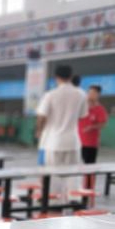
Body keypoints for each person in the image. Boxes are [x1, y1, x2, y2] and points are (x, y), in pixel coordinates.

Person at [35, 65, 88, 201]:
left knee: (53, 176)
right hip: (73, 141)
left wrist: (39, 130)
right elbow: (82, 116)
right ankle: (73, 202)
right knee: (73, 176)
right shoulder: (81, 94)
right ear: (70, 76)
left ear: (56, 77)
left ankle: (53, 205)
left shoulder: (50, 95)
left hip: (53, 142)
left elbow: (42, 116)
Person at [79, 85, 109, 190]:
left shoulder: (100, 109)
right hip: (78, 142)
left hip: (91, 144)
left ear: (98, 95)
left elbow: (103, 124)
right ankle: (76, 189)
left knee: (89, 167)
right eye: (89, 92)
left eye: (93, 93)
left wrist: (92, 127)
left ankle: (88, 189)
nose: (90, 94)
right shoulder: (82, 106)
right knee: (76, 167)